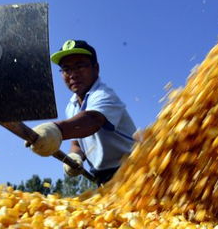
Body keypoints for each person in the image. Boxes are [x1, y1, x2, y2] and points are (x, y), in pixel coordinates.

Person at [28, 40, 137, 185]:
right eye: (66, 69)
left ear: (96, 68)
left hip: (133, 172)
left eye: (79, 66)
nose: (72, 74)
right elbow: (78, 143)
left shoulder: (103, 95)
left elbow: (92, 120)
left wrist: (56, 130)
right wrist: (75, 156)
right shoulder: (71, 106)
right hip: (103, 179)